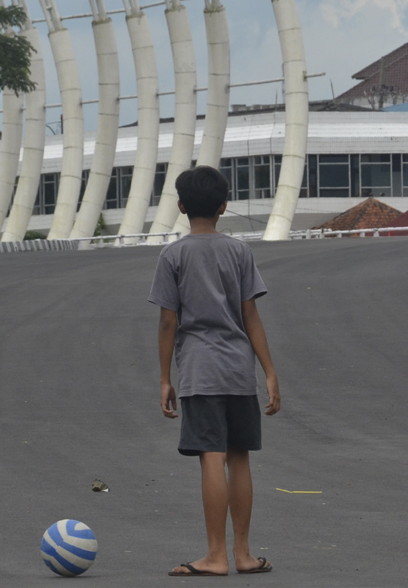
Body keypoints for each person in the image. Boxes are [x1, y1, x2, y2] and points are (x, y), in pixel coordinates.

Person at [149, 166, 280, 577]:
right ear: (224, 206)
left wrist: (165, 377)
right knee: (239, 457)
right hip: (239, 369)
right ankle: (243, 553)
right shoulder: (239, 251)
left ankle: (215, 556)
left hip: (200, 372)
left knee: (211, 455)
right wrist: (269, 371)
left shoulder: (173, 255)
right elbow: (251, 314)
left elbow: (168, 321)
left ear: (181, 206)